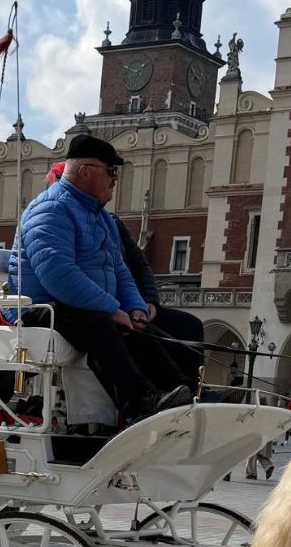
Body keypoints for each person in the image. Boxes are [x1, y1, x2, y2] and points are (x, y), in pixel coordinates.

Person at [12, 134, 191, 424]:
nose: (115, 180)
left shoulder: (101, 217)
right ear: (85, 171)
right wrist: (111, 308)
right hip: (41, 307)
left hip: (81, 307)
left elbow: (120, 269)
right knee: (99, 324)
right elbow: (59, 275)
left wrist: (135, 308)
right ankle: (139, 403)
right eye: (111, 172)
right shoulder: (50, 208)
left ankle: (184, 393)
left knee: (141, 331)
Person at [45, 161, 204, 391]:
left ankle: (191, 391)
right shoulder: (56, 218)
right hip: (88, 308)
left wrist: (147, 302)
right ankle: (160, 396)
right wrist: (111, 307)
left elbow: (138, 266)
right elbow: (69, 274)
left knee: (187, 326)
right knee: (123, 331)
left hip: (126, 305)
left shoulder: (112, 223)